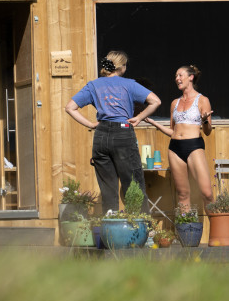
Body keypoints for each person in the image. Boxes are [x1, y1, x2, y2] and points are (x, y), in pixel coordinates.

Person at [64, 51, 161, 214]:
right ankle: (142, 228)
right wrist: (138, 118)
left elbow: (70, 107)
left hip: (101, 135)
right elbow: (155, 101)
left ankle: (111, 233)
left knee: (108, 188)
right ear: (121, 67)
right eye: (125, 65)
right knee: (133, 184)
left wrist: (90, 124)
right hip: (123, 133)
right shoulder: (129, 84)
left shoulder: (94, 85)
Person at [144, 65, 214, 213]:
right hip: (175, 148)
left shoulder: (202, 100)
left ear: (191, 77)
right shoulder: (174, 103)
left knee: (207, 193)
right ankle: (186, 234)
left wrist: (205, 121)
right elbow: (172, 130)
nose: (177, 79)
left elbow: (207, 132)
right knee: (182, 194)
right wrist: (153, 122)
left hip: (194, 145)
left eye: (180, 75)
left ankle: (216, 233)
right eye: (176, 76)